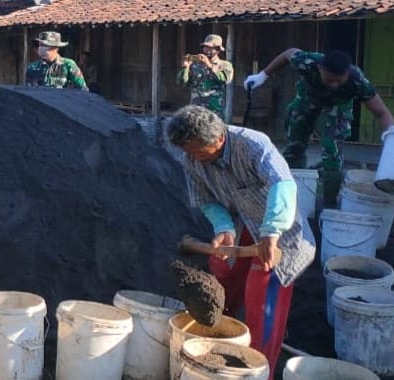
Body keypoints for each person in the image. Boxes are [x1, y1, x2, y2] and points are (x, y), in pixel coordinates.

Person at [167, 105, 316, 379]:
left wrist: (271, 233)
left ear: (219, 139)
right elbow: (206, 200)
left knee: (262, 293)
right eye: (189, 152)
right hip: (242, 224)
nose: (194, 159)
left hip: (279, 228)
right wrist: (224, 228)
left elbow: (282, 185)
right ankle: (221, 339)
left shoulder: (253, 144)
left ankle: (259, 368)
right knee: (222, 273)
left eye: (199, 151)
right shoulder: (192, 158)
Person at [244, 49, 394, 207]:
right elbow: (288, 54)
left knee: (332, 152)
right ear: (321, 69)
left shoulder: (357, 80)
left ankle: (329, 203)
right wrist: (263, 75)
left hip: (337, 107)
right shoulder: (308, 62)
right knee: (294, 147)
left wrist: (391, 136)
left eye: (339, 81)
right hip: (307, 100)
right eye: (330, 80)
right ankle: (288, 196)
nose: (334, 85)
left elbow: (381, 112)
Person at [177, 34, 234, 119]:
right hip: (195, 110)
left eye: (210, 48)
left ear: (218, 50)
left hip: (214, 111)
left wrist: (209, 65)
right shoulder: (195, 65)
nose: (206, 50)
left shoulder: (225, 65)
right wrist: (186, 67)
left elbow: (225, 79)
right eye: (205, 47)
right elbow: (182, 82)